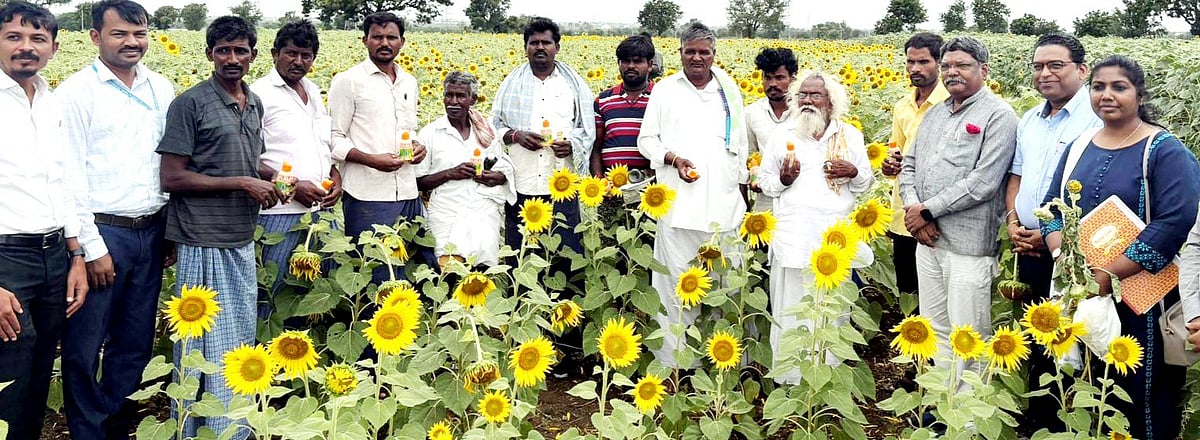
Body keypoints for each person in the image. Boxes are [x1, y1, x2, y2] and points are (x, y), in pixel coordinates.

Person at [1043, 55, 1199, 440]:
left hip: (1145, 300)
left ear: (1139, 95)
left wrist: (1110, 274)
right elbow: (1049, 208)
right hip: (1085, 294)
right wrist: (1067, 259)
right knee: (1088, 390)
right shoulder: (1079, 146)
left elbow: (1175, 222)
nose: (1106, 95)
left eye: (1119, 87)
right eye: (1098, 87)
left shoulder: (1164, 150)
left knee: (1142, 396)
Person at [155, 16, 280, 439]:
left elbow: (246, 160)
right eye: (223, 50)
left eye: (240, 50)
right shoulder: (190, 104)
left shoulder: (254, 102)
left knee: (236, 339)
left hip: (240, 236)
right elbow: (172, 177)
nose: (232, 58)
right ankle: (196, 430)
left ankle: (232, 429)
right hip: (201, 238)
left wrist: (273, 178)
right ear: (209, 53)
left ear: (253, 56)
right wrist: (242, 183)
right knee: (201, 346)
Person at [55, 1, 175, 437]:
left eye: (139, 33)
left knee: (135, 336)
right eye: (119, 33)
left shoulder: (161, 88)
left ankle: (120, 418)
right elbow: (68, 176)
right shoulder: (75, 93)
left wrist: (169, 231)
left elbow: (170, 162)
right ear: (95, 37)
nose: (132, 42)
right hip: (103, 230)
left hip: (151, 227)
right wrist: (90, 247)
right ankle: (88, 428)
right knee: (85, 342)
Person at [898, 36, 1016, 375]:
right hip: (927, 240)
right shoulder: (935, 113)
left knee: (969, 334)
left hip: (968, 247)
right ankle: (941, 405)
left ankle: (966, 417)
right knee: (935, 328)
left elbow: (983, 183)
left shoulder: (998, 115)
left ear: (983, 69)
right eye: (947, 66)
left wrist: (927, 211)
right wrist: (915, 210)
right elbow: (909, 166)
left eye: (961, 65)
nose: (952, 72)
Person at [1002, 33, 1099, 433]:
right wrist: (1012, 220)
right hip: (1026, 243)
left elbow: (1098, 190)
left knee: (1076, 337)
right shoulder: (1030, 118)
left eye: (1055, 65)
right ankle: (1040, 419)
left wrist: (1057, 237)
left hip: (1074, 254)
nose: (1045, 73)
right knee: (1036, 333)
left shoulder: (1096, 116)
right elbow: (1017, 176)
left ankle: (1074, 421)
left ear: (1082, 69)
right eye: (1039, 66)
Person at [0, 3, 89, 439]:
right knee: (7, 377)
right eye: (13, 37)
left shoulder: (50, 100)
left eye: (37, 39)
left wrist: (76, 255)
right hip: (6, 258)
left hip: (54, 252)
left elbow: (63, 181)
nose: (25, 48)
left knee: (38, 374)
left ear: (54, 47)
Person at [637, 22, 748, 368]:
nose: (697, 57)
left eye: (704, 52)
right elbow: (647, 140)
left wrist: (742, 194)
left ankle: (722, 366)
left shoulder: (728, 90)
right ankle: (677, 368)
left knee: (724, 289)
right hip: (678, 209)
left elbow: (740, 147)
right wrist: (674, 159)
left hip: (724, 208)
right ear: (680, 53)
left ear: (714, 54)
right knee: (674, 291)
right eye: (690, 51)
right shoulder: (665, 90)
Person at [758, 71, 873, 384]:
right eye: (802, 96)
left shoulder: (850, 136)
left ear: (831, 103)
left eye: (815, 96)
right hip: (793, 237)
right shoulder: (784, 136)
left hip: (834, 240)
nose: (807, 101)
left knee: (832, 312)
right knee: (791, 309)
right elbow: (764, 183)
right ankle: (789, 381)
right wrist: (783, 180)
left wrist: (852, 171)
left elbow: (865, 182)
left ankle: (826, 379)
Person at [328, 11, 430, 284]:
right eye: (377, 37)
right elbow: (334, 137)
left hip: (408, 190)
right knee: (373, 272)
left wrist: (418, 146)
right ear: (365, 40)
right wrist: (371, 159)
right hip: (367, 194)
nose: (384, 43)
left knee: (408, 268)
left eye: (391, 37)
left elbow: (409, 129)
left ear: (402, 42)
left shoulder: (409, 81)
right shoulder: (348, 81)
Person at [250, 19, 341, 312]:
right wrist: (290, 186)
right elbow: (246, 156)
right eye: (291, 53)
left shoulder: (313, 91)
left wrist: (335, 176)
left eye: (306, 55)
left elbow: (322, 143)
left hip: (320, 210)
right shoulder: (258, 94)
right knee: (272, 294)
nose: (298, 61)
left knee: (313, 294)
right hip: (279, 213)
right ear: (275, 53)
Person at [493, 16, 594, 254]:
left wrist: (572, 145)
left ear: (556, 47)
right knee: (522, 256)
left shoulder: (573, 85)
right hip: (522, 183)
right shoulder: (510, 85)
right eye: (534, 42)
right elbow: (493, 126)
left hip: (562, 183)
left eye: (546, 42)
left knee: (566, 253)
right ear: (525, 48)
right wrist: (516, 135)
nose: (540, 47)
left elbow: (586, 128)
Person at [415, 71, 515, 268]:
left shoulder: (486, 132)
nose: (453, 101)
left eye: (460, 96)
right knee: (447, 269)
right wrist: (451, 173)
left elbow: (502, 166)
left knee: (483, 270)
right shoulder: (430, 133)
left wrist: (496, 176)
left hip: (482, 211)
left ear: (473, 99)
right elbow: (419, 181)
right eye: (449, 95)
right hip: (446, 212)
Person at [881, 33, 949, 297]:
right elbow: (896, 149)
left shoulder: (950, 104)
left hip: (935, 214)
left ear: (939, 63)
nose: (915, 69)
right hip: (902, 214)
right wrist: (889, 166)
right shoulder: (902, 106)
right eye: (910, 62)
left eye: (923, 62)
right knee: (907, 288)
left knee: (935, 291)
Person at [590, 34, 655, 177]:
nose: (631, 66)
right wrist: (600, 183)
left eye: (637, 61)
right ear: (619, 63)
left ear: (650, 65)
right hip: (611, 187)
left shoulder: (660, 97)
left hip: (652, 189)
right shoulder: (603, 100)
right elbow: (595, 147)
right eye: (625, 61)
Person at [745, 47, 799, 213]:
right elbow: (749, 155)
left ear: (793, 78)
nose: (772, 84)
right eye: (767, 78)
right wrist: (753, 177)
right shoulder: (751, 113)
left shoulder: (805, 112)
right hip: (765, 202)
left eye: (779, 78)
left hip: (800, 199)